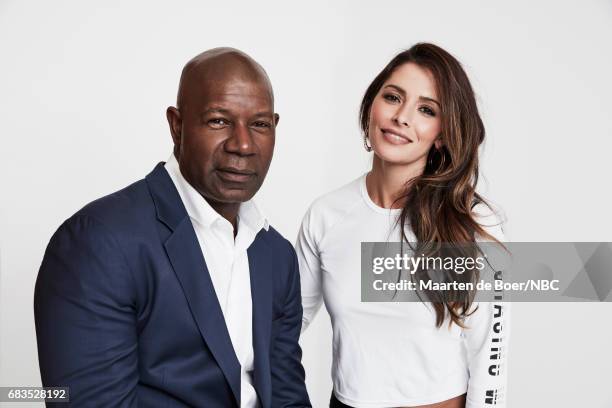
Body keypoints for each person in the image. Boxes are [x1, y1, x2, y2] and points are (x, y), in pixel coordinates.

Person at [34, 48, 311, 408]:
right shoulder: (99, 242)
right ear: (176, 125)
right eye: (218, 121)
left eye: (259, 125)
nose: (243, 145)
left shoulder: (277, 254)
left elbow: (287, 395)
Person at [297, 43, 510, 408]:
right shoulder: (326, 215)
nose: (402, 117)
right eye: (393, 97)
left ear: (442, 133)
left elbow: (491, 358)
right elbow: (282, 330)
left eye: (426, 109)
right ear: (372, 106)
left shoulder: (473, 223)